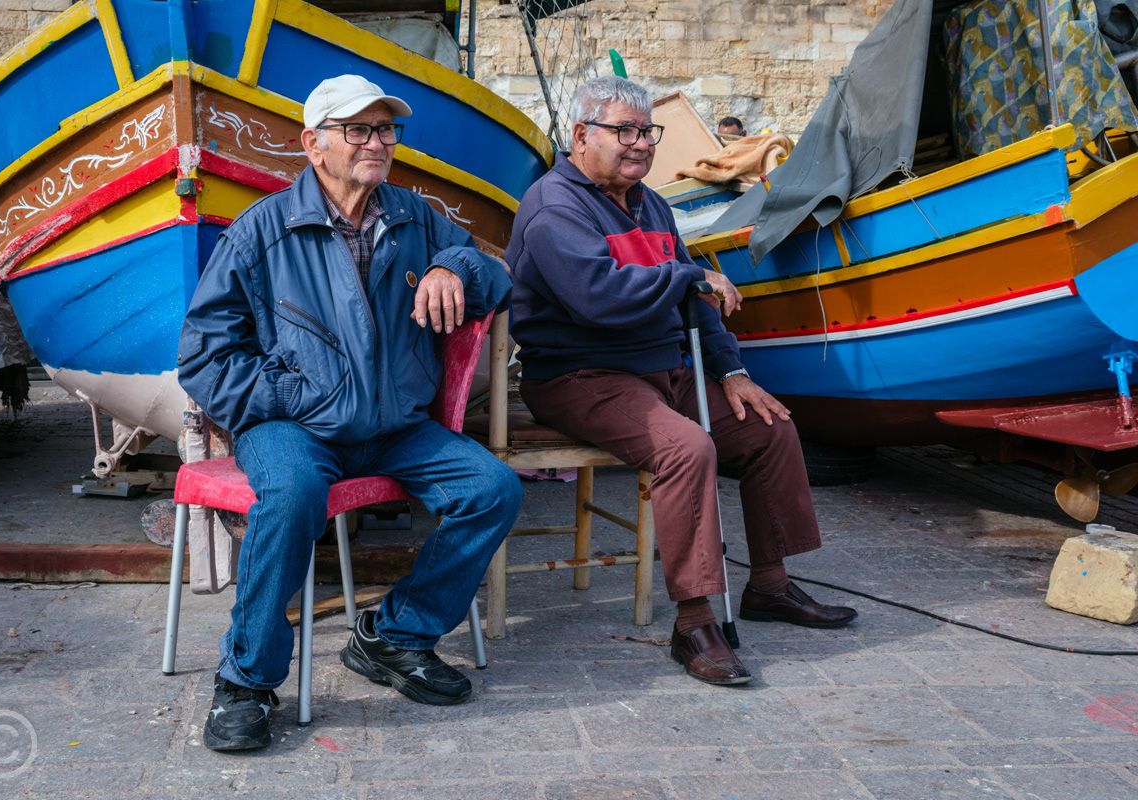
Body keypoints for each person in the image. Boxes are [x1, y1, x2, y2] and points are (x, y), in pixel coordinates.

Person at [177, 74, 522, 750]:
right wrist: (297, 396)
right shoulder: (262, 231)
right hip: (294, 428)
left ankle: (393, 635)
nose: (377, 142)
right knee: (293, 493)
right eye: (357, 130)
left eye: (386, 130)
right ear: (314, 144)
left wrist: (456, 266)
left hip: (395, 428)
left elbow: (497, 276)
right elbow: (205, 358)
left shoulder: (414, 217)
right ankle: (245, 680)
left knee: (493, 489)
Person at [505, 76, 855, 687]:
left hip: (664, 370)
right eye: (625, 131)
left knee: (767, 425)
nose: (640, 144)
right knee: (685, 447)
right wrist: (685, 279)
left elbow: (699, 300)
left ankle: (770, 585)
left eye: (647, 132)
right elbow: (599, 299)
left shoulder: (650, 202)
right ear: (581, 135)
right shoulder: (554, 205)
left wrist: (734, 372)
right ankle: (694, 623)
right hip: (582, 375)